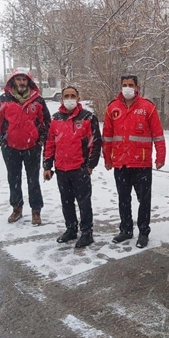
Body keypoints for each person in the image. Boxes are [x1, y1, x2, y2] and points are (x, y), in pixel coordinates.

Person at [102, 74, 166, 248]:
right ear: (120, 87)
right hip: (120, 163)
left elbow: (158, 135)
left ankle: (143, 232)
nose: (127, 87)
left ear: (137, 87)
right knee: (124, 199)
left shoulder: (148, 107)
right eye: (124, 84)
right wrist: (107, 158)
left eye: (131, 84)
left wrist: (161, 157)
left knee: (144, 200)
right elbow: (107, 136)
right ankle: (126, 230)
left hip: (141, 164)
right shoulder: (112, 108)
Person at [43, 86, 102, 249]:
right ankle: (71, 229)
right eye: (66, 96)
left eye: (73, 96)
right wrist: (47, 165)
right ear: (61, 99)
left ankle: (86, 233)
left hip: (80, 168)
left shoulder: (88, 118)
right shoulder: (55, 119)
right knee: (66, 202)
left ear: (78, 98)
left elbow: (95, 142)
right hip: (62, 169)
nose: (69, 98)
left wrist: (90, 165)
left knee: (84, 202)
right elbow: (49, 143)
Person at [0, 69, 51, 225]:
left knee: (33, 180)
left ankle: (36, 211)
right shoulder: (3, 100)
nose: (22, 82)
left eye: (24, 79)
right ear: (13, 81)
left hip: (32, 147)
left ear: (29, 81)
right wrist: (1, 140)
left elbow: (46, 123)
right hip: (11, 148)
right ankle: (17, 209)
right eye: (18, 79)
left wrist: (41, 140)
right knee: (14, 179)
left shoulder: (38, 101)